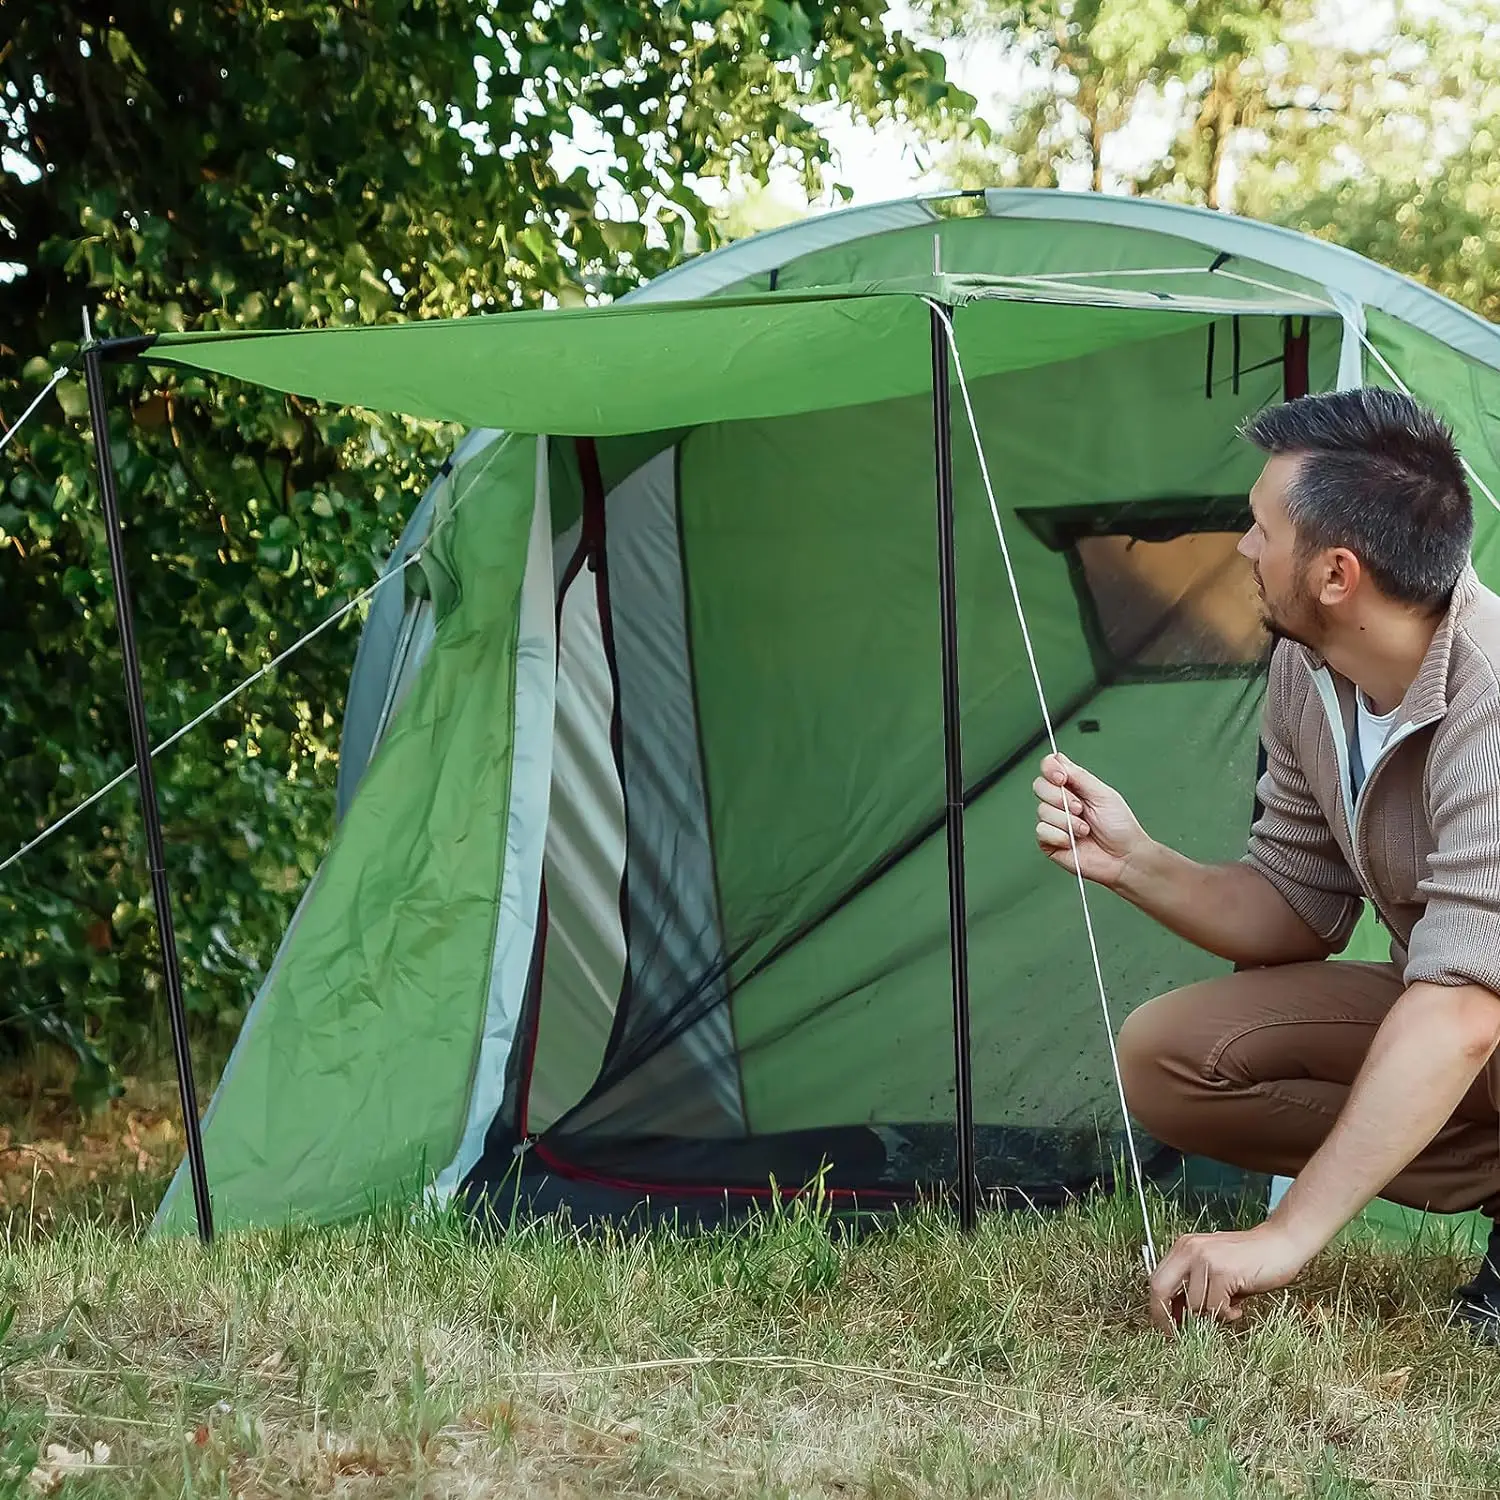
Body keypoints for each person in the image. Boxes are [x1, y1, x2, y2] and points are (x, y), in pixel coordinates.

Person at [1033, 387, 1500, 1337]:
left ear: (1336, 573)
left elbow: (1461, 1010)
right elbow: (1296, 903)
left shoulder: (1491, 699)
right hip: (1471, 1015)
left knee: (1450, 1015)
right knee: (1169, 1057)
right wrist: (1137, 862)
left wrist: (1286, 1233)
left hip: (1473, 1012)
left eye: (1259, 529)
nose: (1244, 548)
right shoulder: (1308, 670)